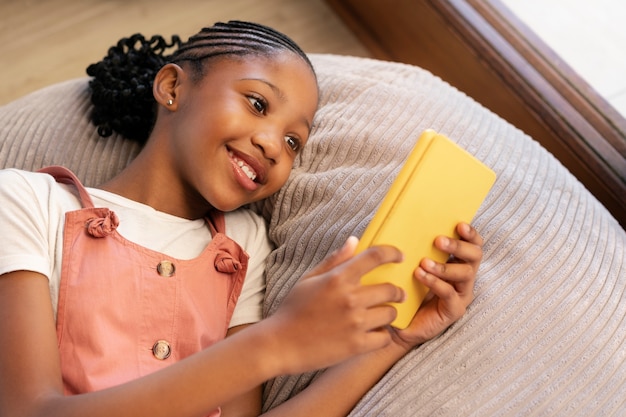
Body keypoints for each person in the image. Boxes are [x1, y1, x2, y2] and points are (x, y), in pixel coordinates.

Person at [0, 21, 483, 417]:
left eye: (294, 142)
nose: (273, 145)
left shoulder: (243, 244)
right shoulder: (27, 201)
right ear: (171, 87)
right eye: (257, 104)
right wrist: (280, 342)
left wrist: (394, 339)